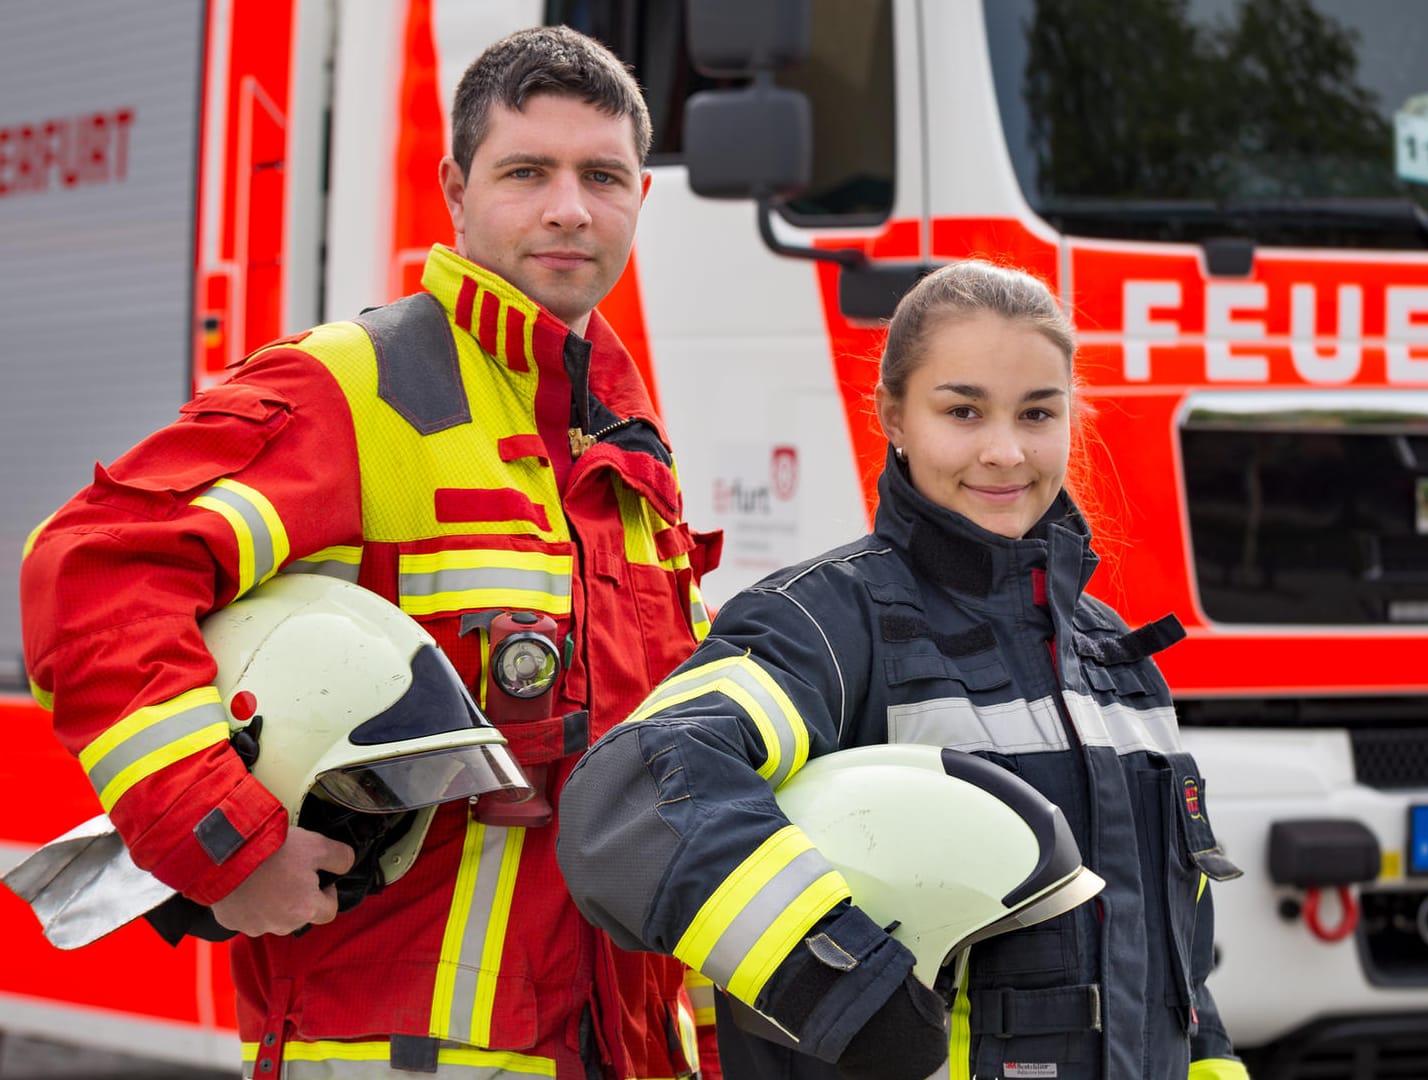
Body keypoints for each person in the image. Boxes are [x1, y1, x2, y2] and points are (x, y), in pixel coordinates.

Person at [19, 25, 723, 1080]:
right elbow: (94, 567)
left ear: (638, 199)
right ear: (455, 186)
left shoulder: (620, 441)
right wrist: (228, 847)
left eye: (601, 175)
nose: (569, 208)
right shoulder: (358, 388)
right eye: (526, 171)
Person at [555, 260, 1250, 1080]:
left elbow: (1184, 992)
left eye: (1037, 413)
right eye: (963, 411)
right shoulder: (826, 625)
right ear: (893, 415)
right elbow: (633, 794)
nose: (1005, 451)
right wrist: (840, 986)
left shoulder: (1121, 665)